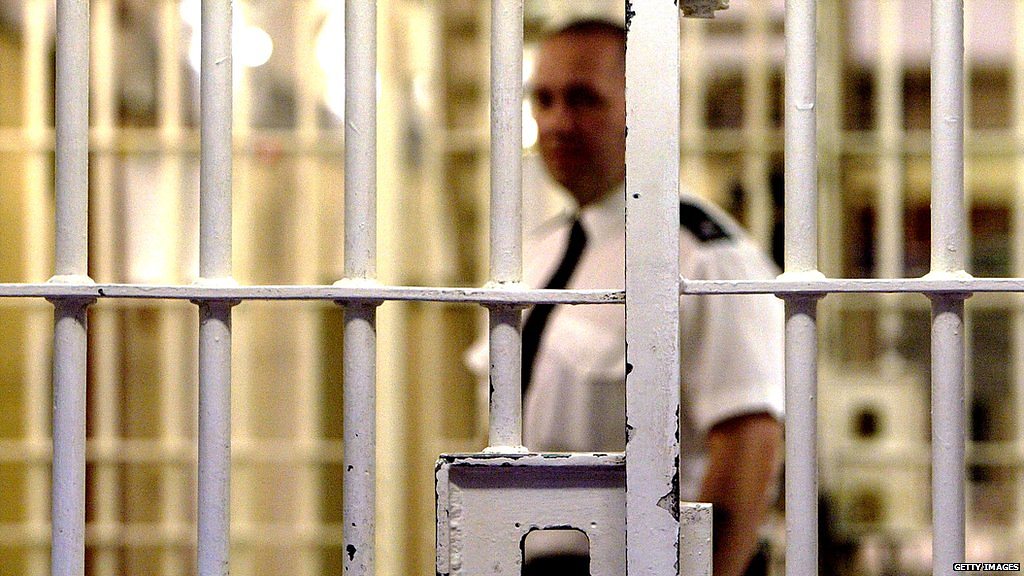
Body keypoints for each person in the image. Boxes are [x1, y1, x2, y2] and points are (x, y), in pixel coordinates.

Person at [467, 19, 784, 576]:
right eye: (543, 99)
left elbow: (748, 438)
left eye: (584, 99)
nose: (557, 122)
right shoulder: (537, 254)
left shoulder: (703, 258)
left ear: (644, 107)